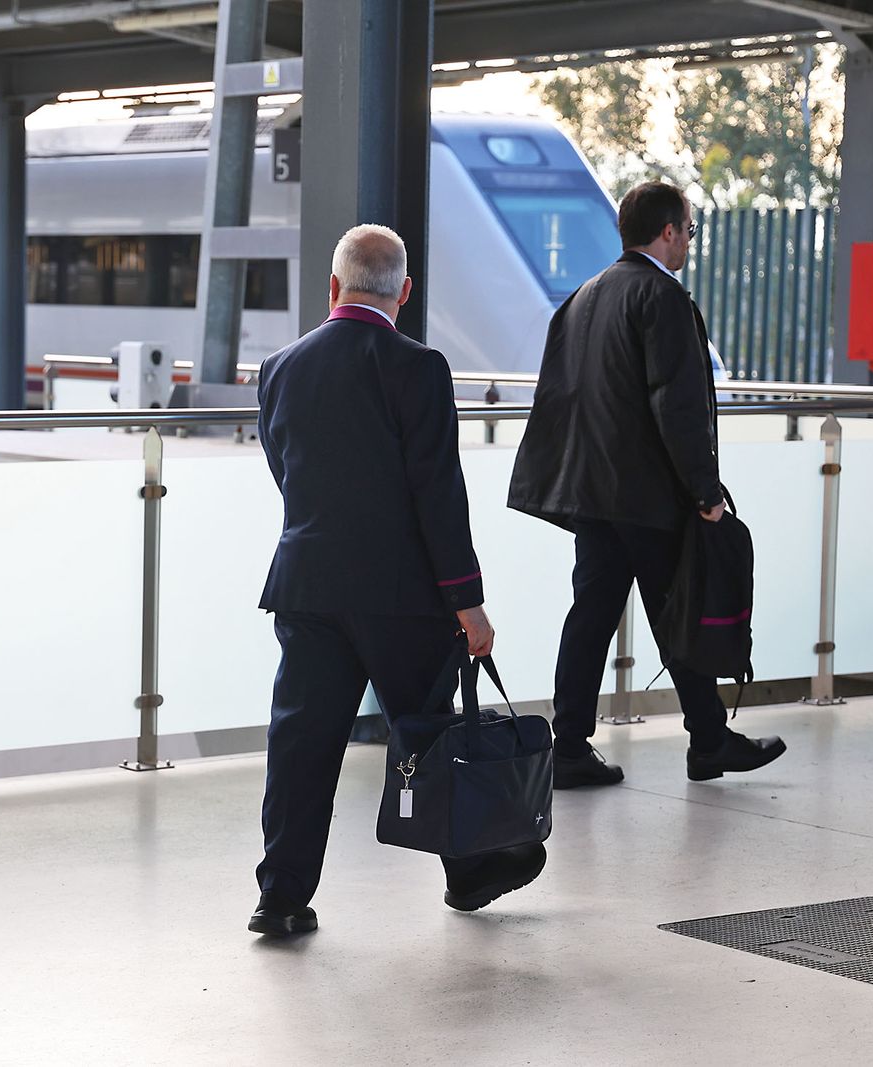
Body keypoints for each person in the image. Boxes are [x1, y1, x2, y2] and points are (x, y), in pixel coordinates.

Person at [249, 224, 546, 938]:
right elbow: (438, 493)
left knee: (301, 746)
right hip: (403, 597)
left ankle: (280, 896)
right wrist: (467, 601)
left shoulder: (280, 367)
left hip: (308, 586)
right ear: (405, 292)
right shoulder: (419, 368)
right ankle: (470, 870)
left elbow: (285, 468)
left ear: (333, 286)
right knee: (430, 733)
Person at [507, 181, 785, 790]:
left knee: (592, 616)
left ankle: (570, 745)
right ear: (667, 232)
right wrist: (705, 492)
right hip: (644, 494)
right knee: (676, 611)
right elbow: (675, 404)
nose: (689, 241)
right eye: (688, 229)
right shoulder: (661, 297)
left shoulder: (584, 296)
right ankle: (708, 741)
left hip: (591, 492)